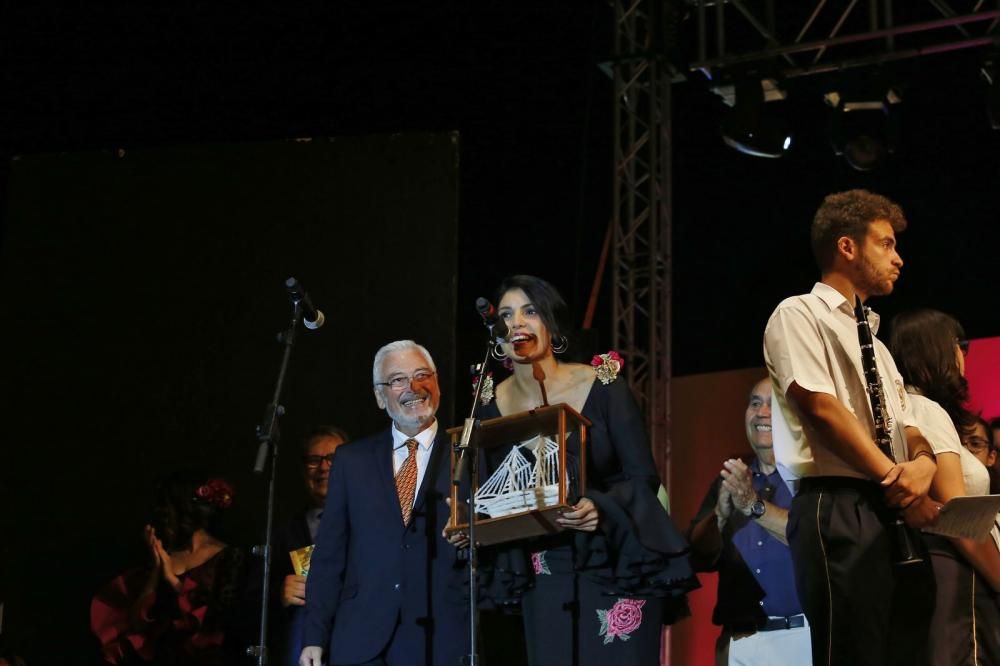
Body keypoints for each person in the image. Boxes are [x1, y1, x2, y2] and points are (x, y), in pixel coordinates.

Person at [475, 274, 697, 666]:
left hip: (614, 554)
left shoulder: (602, 385)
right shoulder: (490, 404)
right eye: (507, 315)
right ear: (498, 334)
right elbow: (495, 491)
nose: (518, 323)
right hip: (543, 570)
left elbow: (643, 476)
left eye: (530, 311)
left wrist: (598, 506)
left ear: (551, 323)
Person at [762, 189, 939, 666]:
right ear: (847, 247)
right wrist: (895, 479)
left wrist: (922, 466)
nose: (898, 258)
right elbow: (820, 408)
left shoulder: (879, 347)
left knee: (903, 647)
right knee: (852, 649)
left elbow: (908, 425)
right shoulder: (798, 314)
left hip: (890, 503)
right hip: (837, 504)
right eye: (886, 244)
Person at [299, 341, 468, 666]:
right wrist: (314, 637)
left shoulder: (467, 453)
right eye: (398, 380)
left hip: (441, 638)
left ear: (437, 384)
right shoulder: (352, 461)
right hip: (362, 640)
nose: (413, 388)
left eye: (422, 376)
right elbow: (329, 556)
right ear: (380, 396)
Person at [889, 308, 1000, 665]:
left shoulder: (908, 409)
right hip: (956, 575)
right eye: (958, 344)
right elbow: (959, 517)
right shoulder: (924, 409)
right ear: (936, 349)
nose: (963, 354)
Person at [687, 377, 810, 665]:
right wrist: (719, 516)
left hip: (802, 640)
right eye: (755, 403)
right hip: (740, 645)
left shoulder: (810, 480)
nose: (761, 412)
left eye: (773, 406)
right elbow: (697, 557)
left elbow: (811, 541)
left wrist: (753, 505)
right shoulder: (731, 480)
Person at [91, 473, 247, 665]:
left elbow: (216, 622)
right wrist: (157, 571)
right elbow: (138, 624)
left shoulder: (229, 557)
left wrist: (172, 580)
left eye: (167, 510)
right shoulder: (162, 554)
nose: (162, 517)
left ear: (184, 512)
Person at [271, 426, 348, 665]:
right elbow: (251, 598)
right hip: (302, 647)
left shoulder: (372, 521)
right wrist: (279, 594)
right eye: (314, 460)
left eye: (333, 459)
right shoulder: (284, 531)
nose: (324, 467)